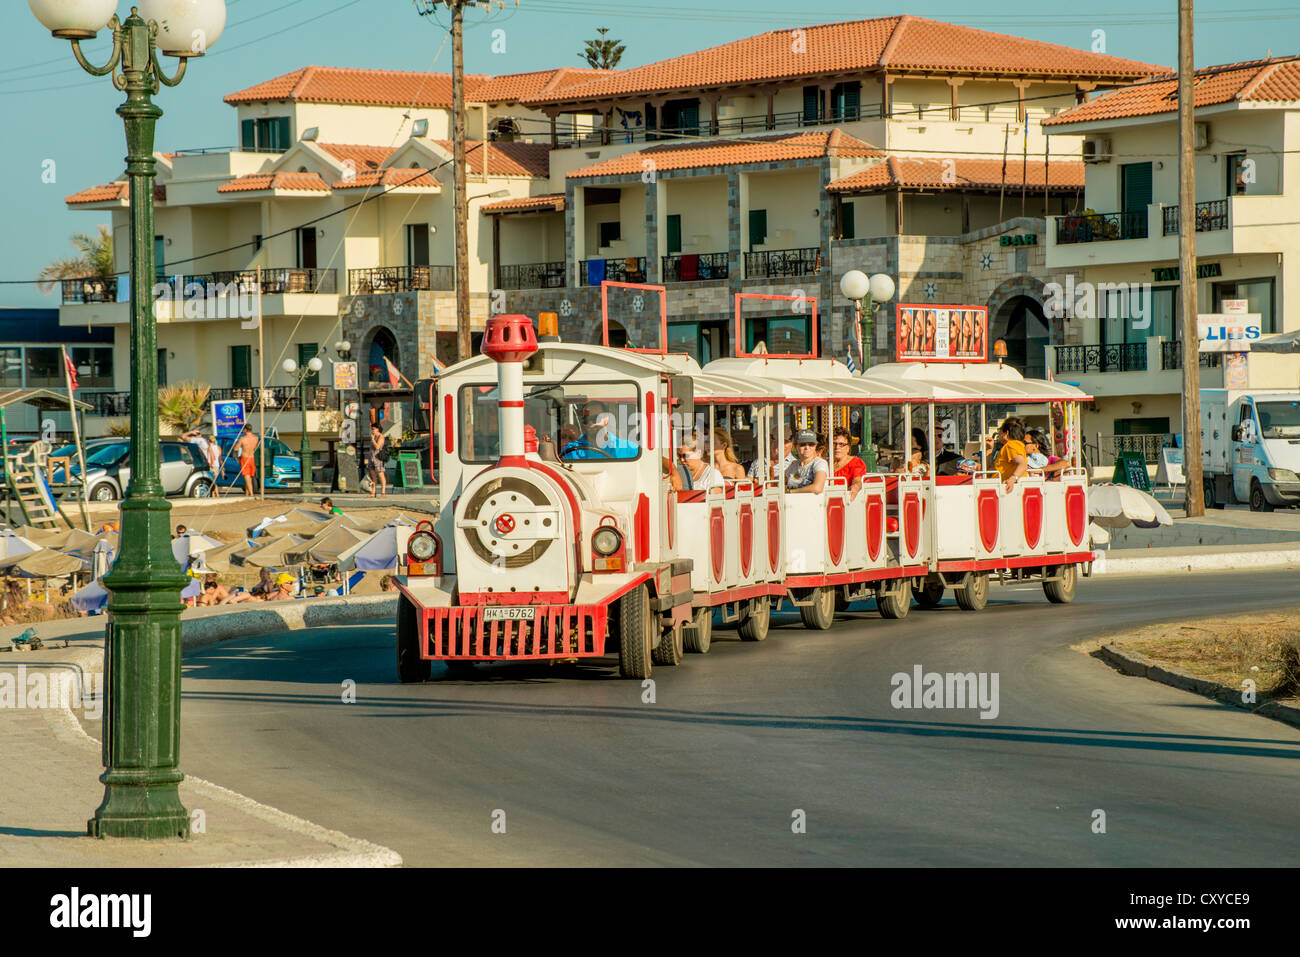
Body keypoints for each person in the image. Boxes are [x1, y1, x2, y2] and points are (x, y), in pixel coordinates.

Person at [562, 401, 637, 460]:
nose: (591, 423)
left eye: (595, 418)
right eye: (586, 420)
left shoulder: (628, 448)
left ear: (606, 419)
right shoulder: (571, 450)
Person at [785, 429, 828, 494]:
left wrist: (790, 492)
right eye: (802, 444)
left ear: (815, 446)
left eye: (811, 444)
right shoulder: (793, 465)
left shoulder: (819, 463)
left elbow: (817, 488)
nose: (807, 447)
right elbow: (781, 483)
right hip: (791, 503)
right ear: (796, 446)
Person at [993, 417, 1028, 493]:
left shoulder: (1011, 445)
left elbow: (1022, 464)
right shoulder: (1016, 445)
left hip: (1005, 488)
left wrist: (1012, 479)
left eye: (1000, 430)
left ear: (1006, 433)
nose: (998, 433)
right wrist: (989, 450)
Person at [831, 427, 867, 499]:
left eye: (841, 444)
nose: (837, 447)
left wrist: (855, 487)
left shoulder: (856, 463)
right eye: (834, 444)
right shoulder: (825, 464)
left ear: (848, 447)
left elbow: (857, 480)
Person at [234, 425, 259, 498]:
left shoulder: (242, 439)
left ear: (245, 430)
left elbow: (235, 449)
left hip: (245, 458)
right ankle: (247, 494)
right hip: (252, 457)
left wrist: (237, 459)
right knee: (249, 477)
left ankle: (251, 494)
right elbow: (255, 448)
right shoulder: (256, 438)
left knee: (247, 476)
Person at [367, 426, 388, 498]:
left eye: (373, 429)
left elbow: (377, 447)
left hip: (378, 458)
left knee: (380, 475)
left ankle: (383, 492)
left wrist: (373, 440)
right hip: (372, 458)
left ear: (378, 429)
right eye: (371, 429)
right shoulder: (374, 436)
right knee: (372, 476)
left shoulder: (381, 437)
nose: (372, 430)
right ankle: (373, 492)